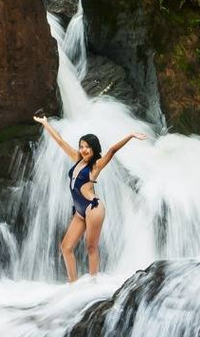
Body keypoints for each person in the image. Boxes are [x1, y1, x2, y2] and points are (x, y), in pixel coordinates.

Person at [33, 115, 147, 282]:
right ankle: (73, 284)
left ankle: (93, 285)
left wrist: (130, 136)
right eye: (81, 146)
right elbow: (60, 141)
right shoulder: (77, 159)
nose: (84, 150)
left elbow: (112, 151)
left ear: (94, 149)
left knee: (91, 247)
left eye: (87, 147)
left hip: (93, 208)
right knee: (66, 247)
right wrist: (45, 123)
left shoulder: (96, 166)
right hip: (79, 210)